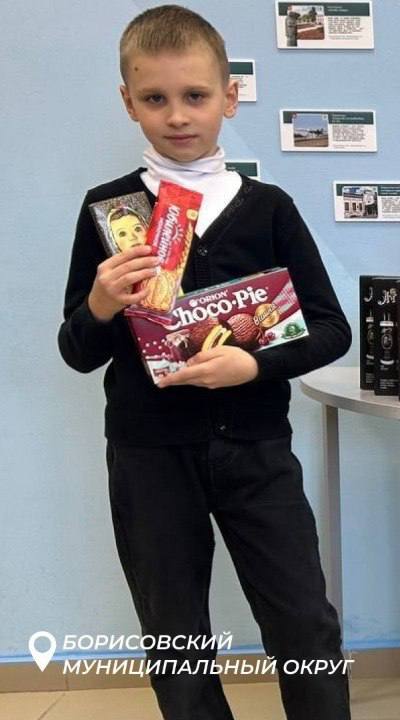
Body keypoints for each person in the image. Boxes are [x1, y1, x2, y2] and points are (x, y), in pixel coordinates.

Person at [57, 6, 352, 719]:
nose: (178, 115)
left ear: (230, 96)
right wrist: (100, 303)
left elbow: (331, 329)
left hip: (256, 447)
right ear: (129, 102)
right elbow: (76, 351)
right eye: (155, 98)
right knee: (176, 635)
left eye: (195, 95)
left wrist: (253, 366)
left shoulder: (268, 208)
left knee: (304, 622)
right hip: (149, 453)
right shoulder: (110, 211)